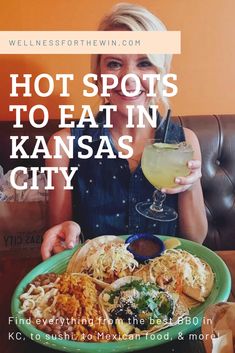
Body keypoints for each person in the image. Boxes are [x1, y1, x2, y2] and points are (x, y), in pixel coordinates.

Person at [41, 3, 207, 260]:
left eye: (144, 63)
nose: (129, 77)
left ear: (161, 73)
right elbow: (61, 242)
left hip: (166, 286)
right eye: (114, 64)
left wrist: (191, 184)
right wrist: (67, 234)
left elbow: (196, 239)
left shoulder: (184, 142)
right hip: (97, 286)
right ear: (97, 75)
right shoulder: (63, 144)